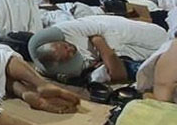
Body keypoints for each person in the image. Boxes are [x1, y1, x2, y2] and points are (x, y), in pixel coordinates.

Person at [28, 15, 168, 83]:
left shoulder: (67, 30)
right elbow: (116, 73)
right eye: (68, 55)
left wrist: (102, 45)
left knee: (161, 42)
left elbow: (100, 29)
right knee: (158, 59)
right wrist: (100, 44)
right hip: (122, 51)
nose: (71, 49)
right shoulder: (71, 69)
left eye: (66, 46)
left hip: (121, 31)